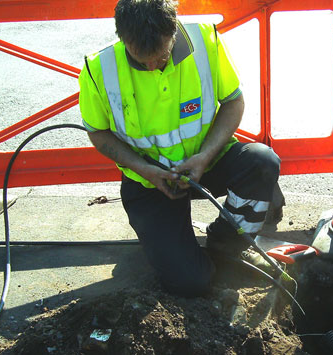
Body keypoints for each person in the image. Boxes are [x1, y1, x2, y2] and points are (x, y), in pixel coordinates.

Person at [79, 0, 281, 297]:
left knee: (262, 162)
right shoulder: (99, 69)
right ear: (123, 38)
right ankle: (177, 249)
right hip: (147, 182)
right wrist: (146, 170)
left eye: (160, 57)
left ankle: (227, 243)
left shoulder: (205, 42)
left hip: (206, 163)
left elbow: (233, 102)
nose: (151, 66)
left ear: (173, 32)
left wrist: (204, 157)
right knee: (191, 281)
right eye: (140, 58)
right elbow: (98, 133)